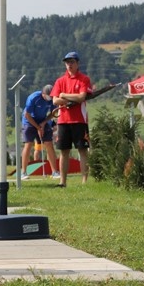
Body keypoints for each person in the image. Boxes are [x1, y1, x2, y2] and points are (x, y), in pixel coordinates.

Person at [51, 51, 92, 187]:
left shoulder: (84, 79)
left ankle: (84, 182)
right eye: (67, 62)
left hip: (79, 120)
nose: (69, 65)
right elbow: (55, 100)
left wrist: (64, 95)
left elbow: (81, 97)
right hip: (63, 121)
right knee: (64, 152)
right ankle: (62, 182)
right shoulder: (60, 81)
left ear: (77, 63)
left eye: (72, 62)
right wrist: (69, 98)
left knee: (82, 151)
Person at [20, 85, 59, 180]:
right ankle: (23, 172)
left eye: (51, 96)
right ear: (43, 93)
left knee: (49, 144)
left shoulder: (52, 99)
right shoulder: (33, 98)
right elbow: (27, 114)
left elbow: (53, 113)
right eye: (48, 95)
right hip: (29, 121)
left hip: (42, 121)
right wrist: (38, 127)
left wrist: (44, 123)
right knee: (28, 144)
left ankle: (55, 172)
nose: (50, 98)